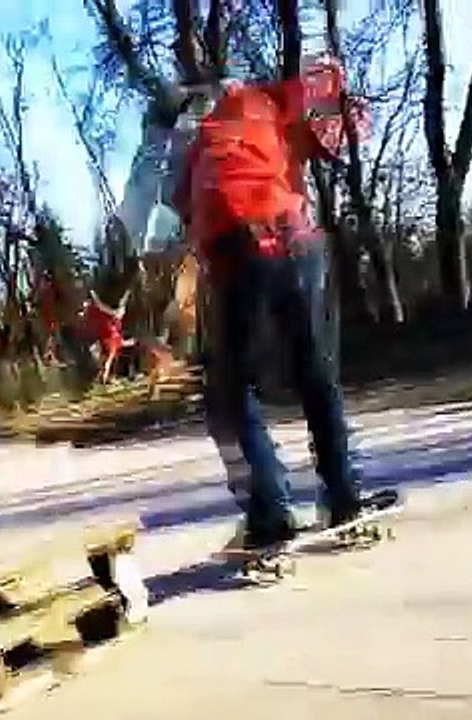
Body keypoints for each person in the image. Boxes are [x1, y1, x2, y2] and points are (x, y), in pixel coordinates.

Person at [172, 57, 396, 551]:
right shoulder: (271, 101)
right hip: (295, 239)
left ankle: (270, 515)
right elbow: (325, 88)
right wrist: (341, 98)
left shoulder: (200, 142)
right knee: (317, 372)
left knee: (233, 387)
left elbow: (183, 206)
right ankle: (343, 497)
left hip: (234, 245)